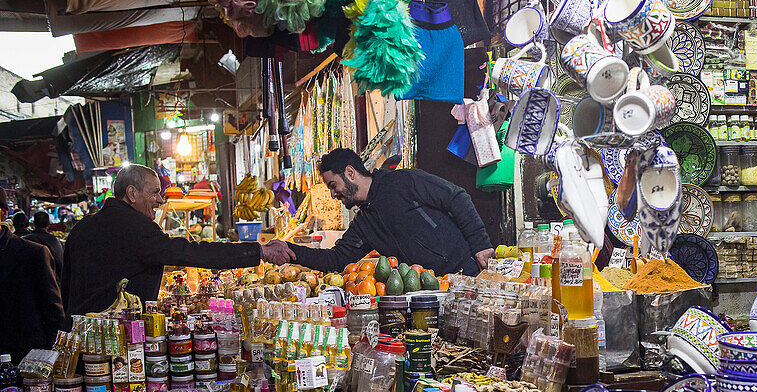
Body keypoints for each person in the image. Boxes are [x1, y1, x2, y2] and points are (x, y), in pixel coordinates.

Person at [62, 163, 295, 316]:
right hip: (116, 341)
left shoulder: (80, 228)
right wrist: (259, 252)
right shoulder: (137, 229)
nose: (160, 200)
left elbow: (67, 287)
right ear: (132, 194)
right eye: (154, 192)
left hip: (78, 338)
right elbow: (191, 252)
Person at [285, 148, 494, 276]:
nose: (333, 194)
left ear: (350, 173)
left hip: (469, 272)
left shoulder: (403, 182)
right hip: (430, 293)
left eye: (333, 185)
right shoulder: (363, 224)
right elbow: (337, 260)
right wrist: (289, 252)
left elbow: (456, 197)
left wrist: (481, 245)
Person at [0, 220, 64, 364]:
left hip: (25, 358)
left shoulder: (33, 253)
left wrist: (52, 358)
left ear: (3, 213)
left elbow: (53, 312)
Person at [23, 210, 63, 279]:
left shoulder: (24, 240)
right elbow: (60, 264)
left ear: (34, 224)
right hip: (49, 280)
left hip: (27, 281)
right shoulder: (54, 241)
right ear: (48, 224)